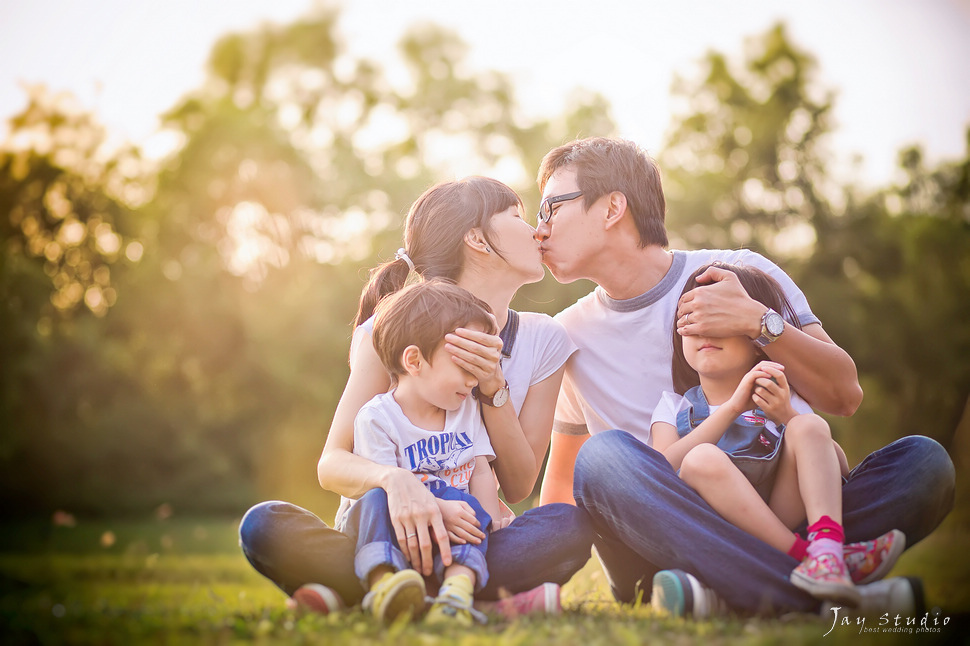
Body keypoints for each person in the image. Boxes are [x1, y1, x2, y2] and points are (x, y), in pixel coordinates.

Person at [534, 136, 954, 617]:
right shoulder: (565, 334)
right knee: (603, 459)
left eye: (551, 208)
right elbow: (567, 480)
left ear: (612, 208)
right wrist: (536, 575)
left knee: (924, 464)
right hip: (663, 539)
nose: (539, 231)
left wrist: (758, 320)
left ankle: (728, 590)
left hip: (780, 507)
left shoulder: (741, 272)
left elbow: (843, 395)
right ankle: (821, 586)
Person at [239, 177, 593, 618]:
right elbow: (332, 463)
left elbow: (519, 486)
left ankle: (370, 595)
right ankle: (453, 593)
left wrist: (491, 387)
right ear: (477, 239)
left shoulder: (545, 340)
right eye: (519, 217)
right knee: (264, 525)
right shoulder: (387, 332)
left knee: (571, 525)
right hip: (383, 529)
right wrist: (397, 483)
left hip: (469, 533)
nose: (537, 231)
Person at [651, 262, 905, 608]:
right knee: (701, 458)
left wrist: (787, 417)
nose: (705, 334)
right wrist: (731, 409)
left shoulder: (784, 398)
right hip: (712, 531)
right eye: (693, 322)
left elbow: (839, 467)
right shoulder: (674, 407)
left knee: (811, 426)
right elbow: (659, 472)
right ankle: (810, 561)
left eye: (719, 322)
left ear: (757, 342)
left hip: (781, 512)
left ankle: (826, 548)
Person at [345, 280, 502, 625]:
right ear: (414, 360)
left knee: (472, 508)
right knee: (374, 498)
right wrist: (440, 507)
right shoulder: (378, 417)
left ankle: (455, 593)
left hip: (449, 533)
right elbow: (388, 495)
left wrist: (490, 523)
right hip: (395, 530)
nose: (474, 380)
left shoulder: (466, 409)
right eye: (464, 367)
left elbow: (479, 472)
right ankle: (384, 585)